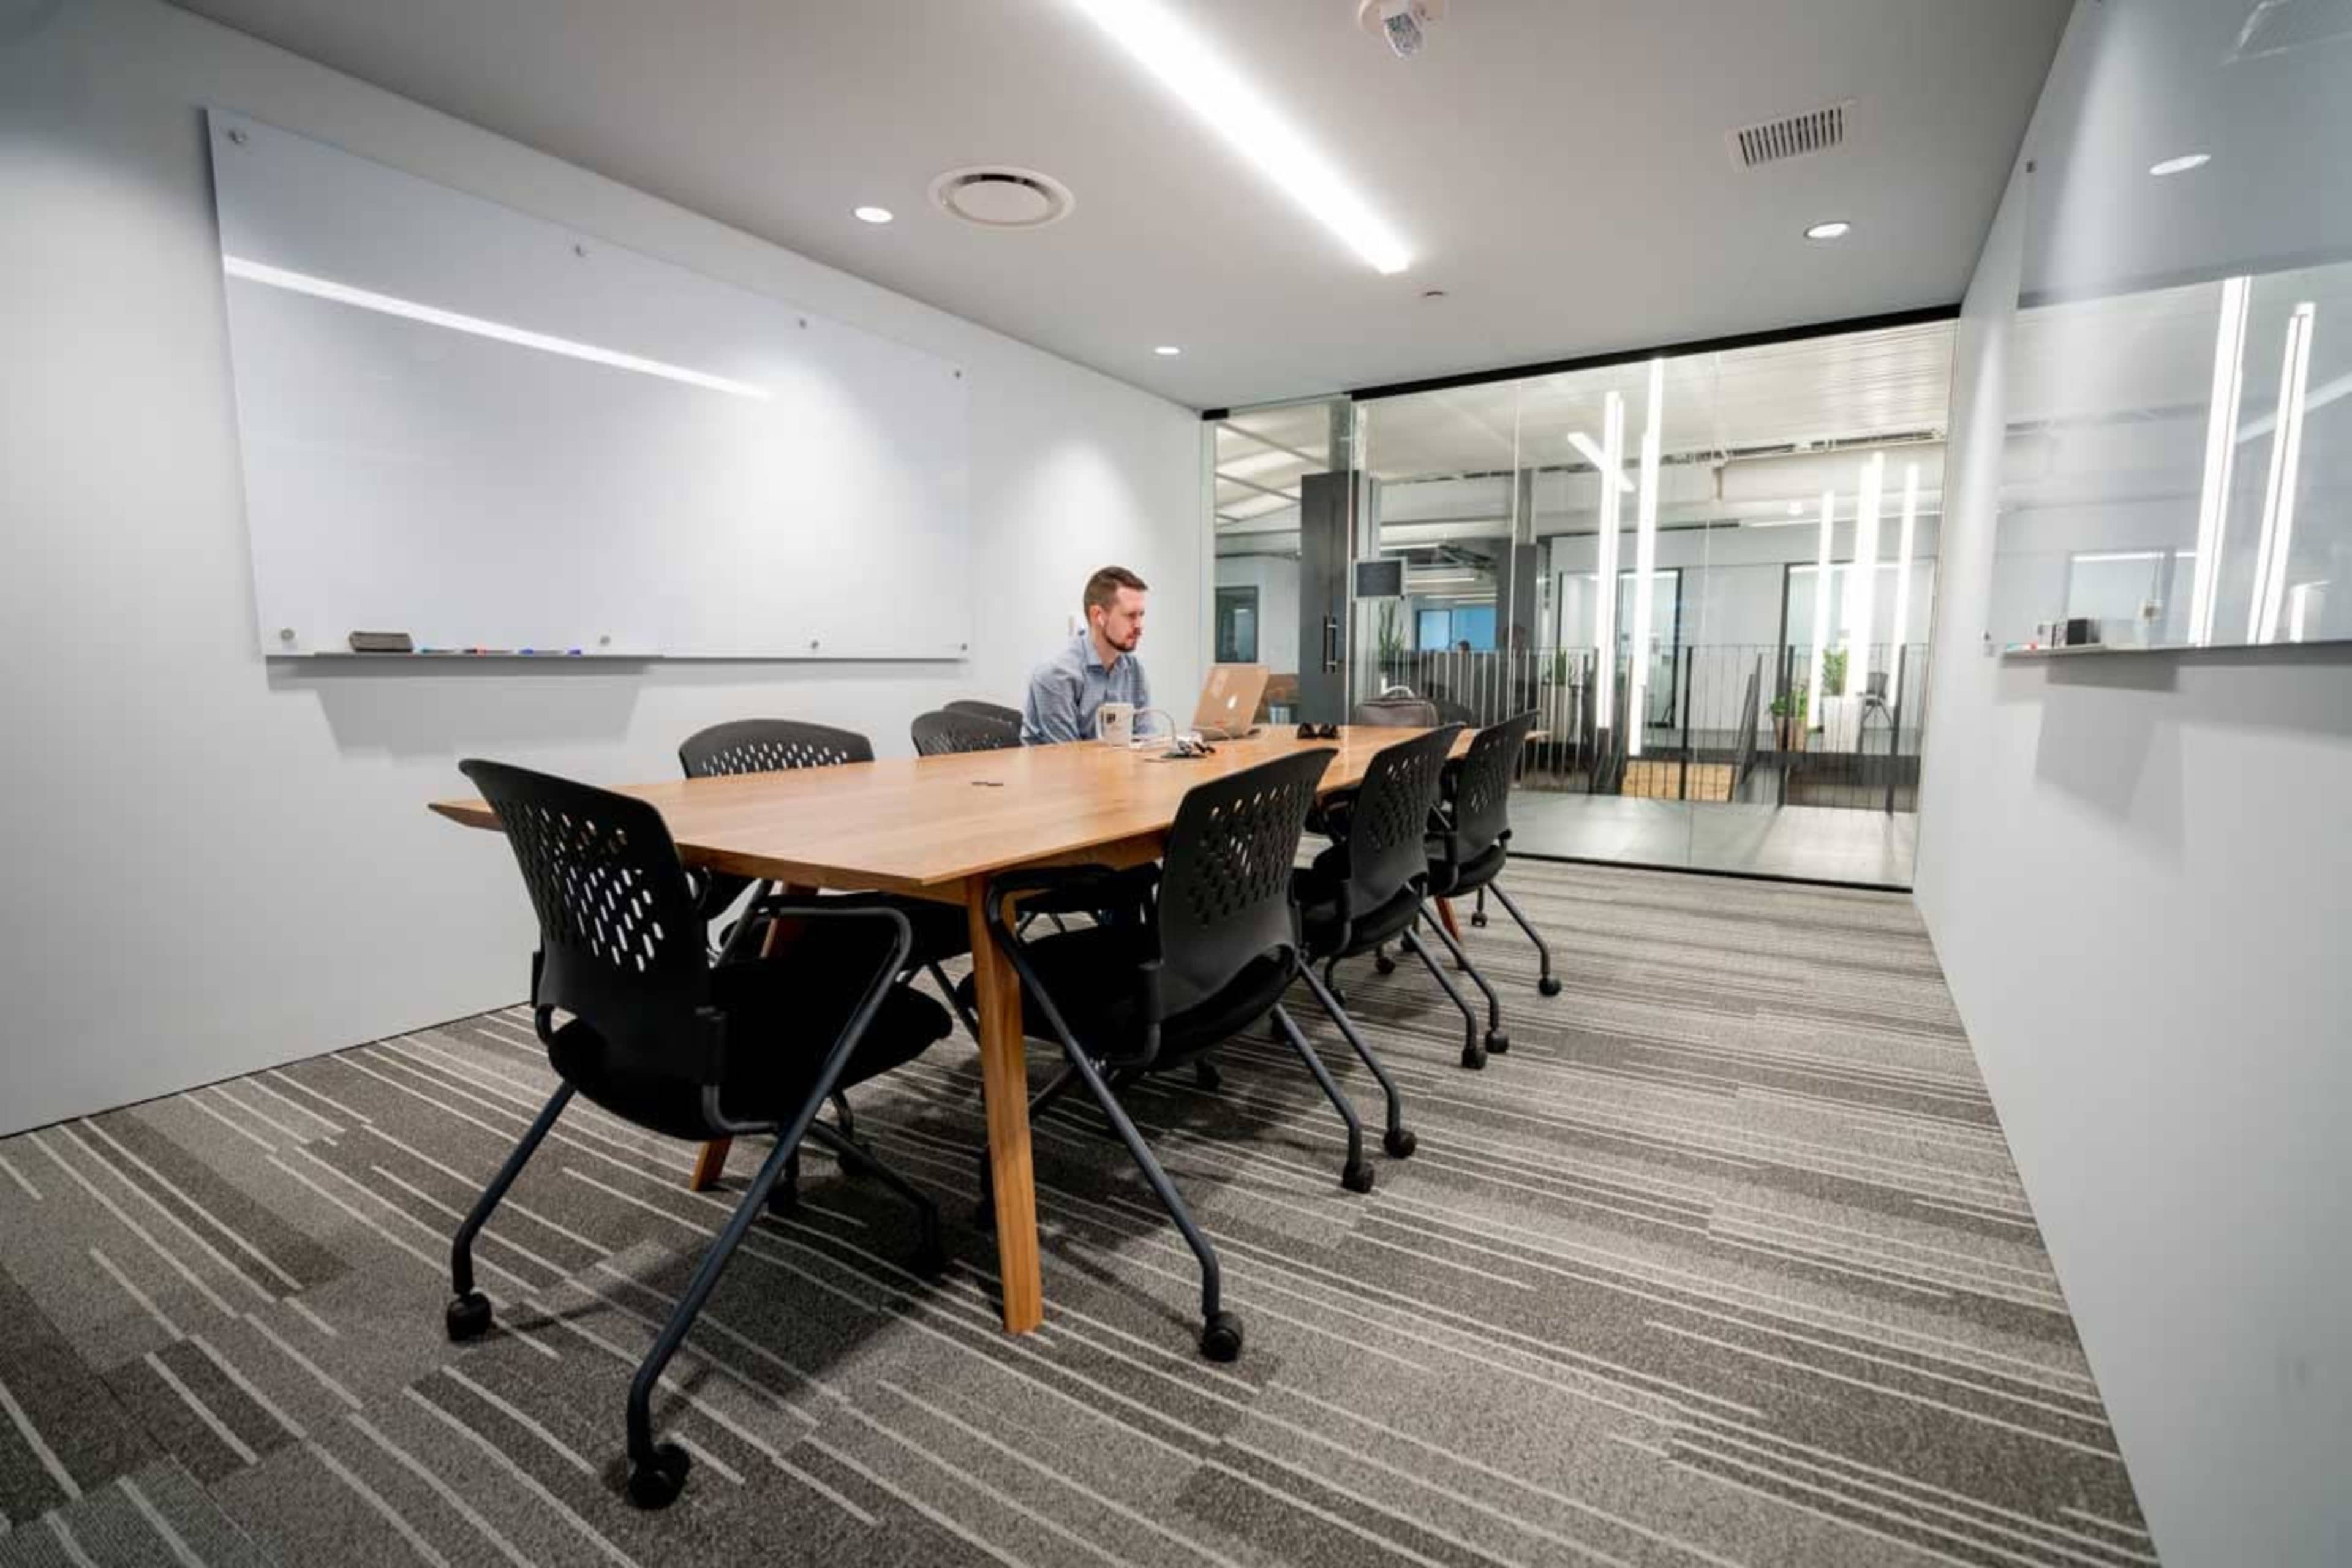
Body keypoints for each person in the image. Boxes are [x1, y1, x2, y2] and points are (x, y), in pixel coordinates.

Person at [1022, 565, 1152, 744]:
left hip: (1118, 763)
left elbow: (1146, 743)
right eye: (1130, 616)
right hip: (1062, 763)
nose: (1139, 626)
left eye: (1141, 615)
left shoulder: (1134, 670)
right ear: (1098, 615)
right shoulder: (1056, 676)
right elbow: (1069, 756)